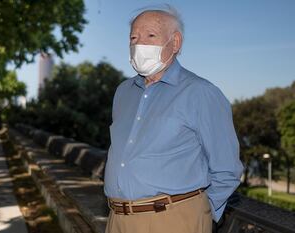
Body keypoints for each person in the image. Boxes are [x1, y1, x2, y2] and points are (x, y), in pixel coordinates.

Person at [103, 5, 244, 233]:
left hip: (173, 220)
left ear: (175, 43)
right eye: (134, 37)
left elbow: (227, 169)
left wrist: (197, 213)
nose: (139, 44)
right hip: (117, 218)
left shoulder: (200, 92)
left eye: (150, 35)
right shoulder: (123, 92)